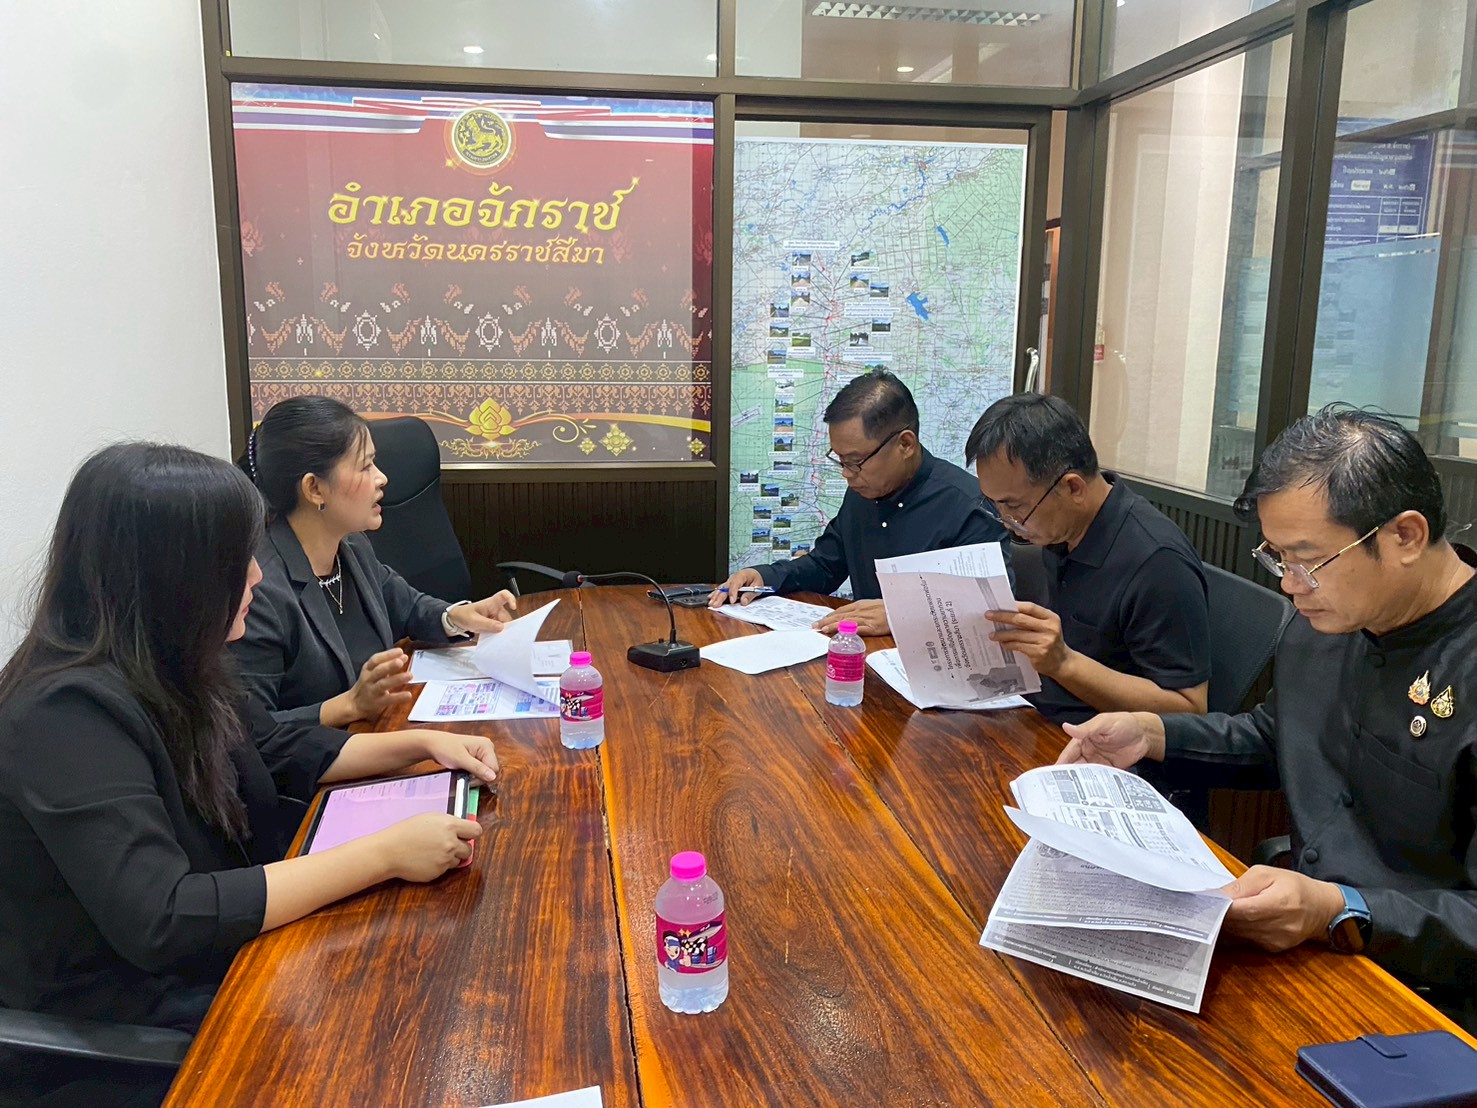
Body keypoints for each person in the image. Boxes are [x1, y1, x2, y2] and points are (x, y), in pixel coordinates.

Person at [0, 444, 496, 1101]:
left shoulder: (175, 660)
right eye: (239, 559)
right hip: (133, 1022)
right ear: (172, 574)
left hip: (236, 951)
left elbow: (274, 746)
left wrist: (424, 745)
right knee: (408, 1041)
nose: (259, 576)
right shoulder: (62, 715)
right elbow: (164, 916)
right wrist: (383, 854)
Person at [1057, 406, 1477, 1031]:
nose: (1290, 585)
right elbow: (1277, 737)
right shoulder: (1329, 621)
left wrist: (1340, 908)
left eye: (1307, 559)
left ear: (1406, 536)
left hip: (1423, 994)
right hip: (1300, 948)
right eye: (1277, 557)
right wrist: (1151, 732)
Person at [230, 396, 517, 726]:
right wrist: (348, 706)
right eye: (365, 467)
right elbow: (250, 731)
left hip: (377, 733)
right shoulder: (258, 590)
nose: (381, 478)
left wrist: (457, 616)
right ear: (314, 488)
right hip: (324, 755)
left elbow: (406, 607)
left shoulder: (351, 546)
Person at [966, 393, 1210, 723]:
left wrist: (1065, 664)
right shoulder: (1061, 529)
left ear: (1074, 488)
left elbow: (1190, 708)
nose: (1007, 521)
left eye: (1015, 506)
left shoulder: (1157, 563)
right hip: (1041, 712)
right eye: (994, 504)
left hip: (1104, 739)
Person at [710, 369, 1011, 636]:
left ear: (905, 444)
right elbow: (825, 565)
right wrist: (766, 577)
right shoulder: (863, 491)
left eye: (855, 461)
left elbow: (994, 610)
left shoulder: (970, 506)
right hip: (859, 657)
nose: (847, 474)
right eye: (840, 461)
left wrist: (902, 615)